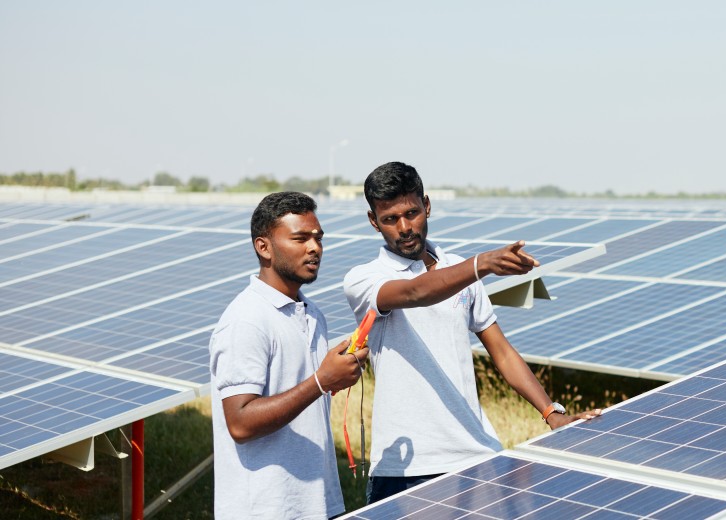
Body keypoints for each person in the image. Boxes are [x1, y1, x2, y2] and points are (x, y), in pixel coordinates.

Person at [344, 162, 602, 504]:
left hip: (478, 456)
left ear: (428, 206)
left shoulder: (461, 273)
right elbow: (415, 292)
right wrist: (481, 265)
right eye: (391, 219)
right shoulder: (364, 279)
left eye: (412, 213)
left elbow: (502, 351)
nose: (404, 227)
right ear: (374, 221)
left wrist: (552, 413)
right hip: (406, 468)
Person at [209, 191, 369, 519]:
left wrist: (334, 373)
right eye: (300, 238)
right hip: (265, 509)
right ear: (263, 247)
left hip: (315, 504)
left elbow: (303, 390)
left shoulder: (312, 314)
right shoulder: (247, 319)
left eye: (318, 238)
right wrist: (321, 381)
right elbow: (239, 423)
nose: (314, 248)